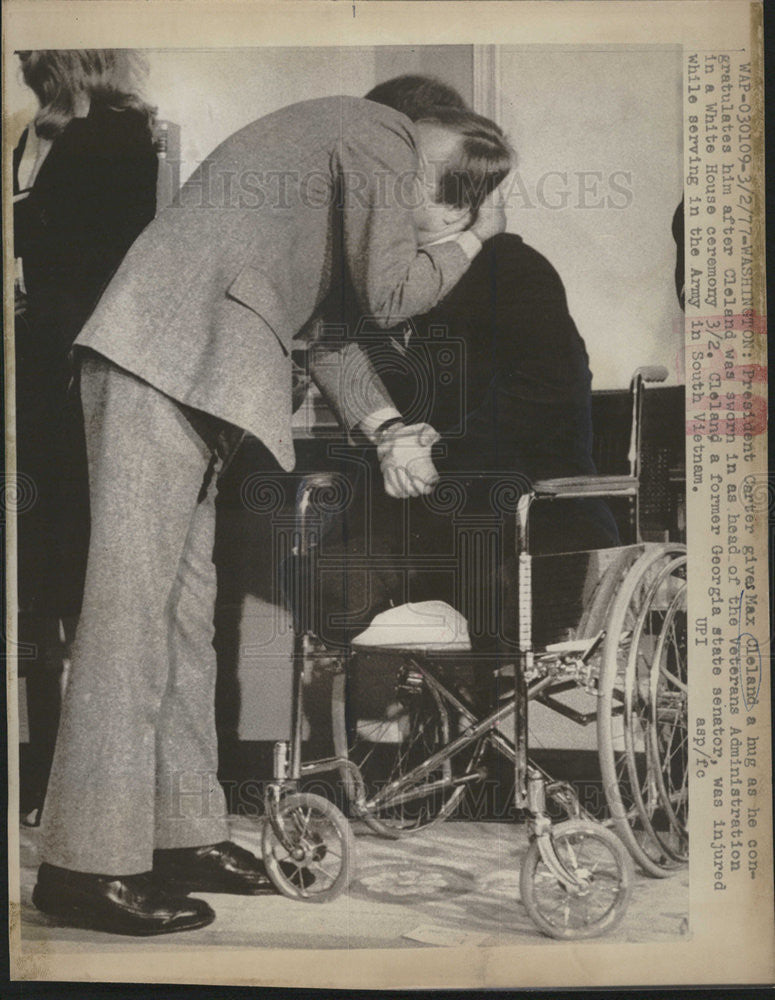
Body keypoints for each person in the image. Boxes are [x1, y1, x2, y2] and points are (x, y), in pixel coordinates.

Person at [33, 93, 513, 935]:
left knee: (181, 622)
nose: (440, 208)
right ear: (424, 135)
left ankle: (180, 835)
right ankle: (83, 865)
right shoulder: (377, 133)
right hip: (164, 360)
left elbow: (326, 332)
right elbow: (393, 295)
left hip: (181, 365)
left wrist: (387, 426)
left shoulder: (324, 160)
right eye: (456, 186)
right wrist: (477, 237)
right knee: (128, 618)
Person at [315, 76, 619, 650]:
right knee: (314, 578)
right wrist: (392, 439)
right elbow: (336, 352)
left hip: (521, 525)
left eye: (400, 177)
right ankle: (415, 701)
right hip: (421, 527)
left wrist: (431, 453)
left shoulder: (515, 271)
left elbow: (544, 395)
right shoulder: (376, 284)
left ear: (459, 205)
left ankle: (444, 687)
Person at [13, 50, 158, 822]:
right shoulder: (60, 135)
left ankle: (60, 780)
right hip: (48, 377)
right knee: (43, 585)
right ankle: (45, 777)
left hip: (67, 378)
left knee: (61, 582)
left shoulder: (111, 136)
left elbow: (83, 254)